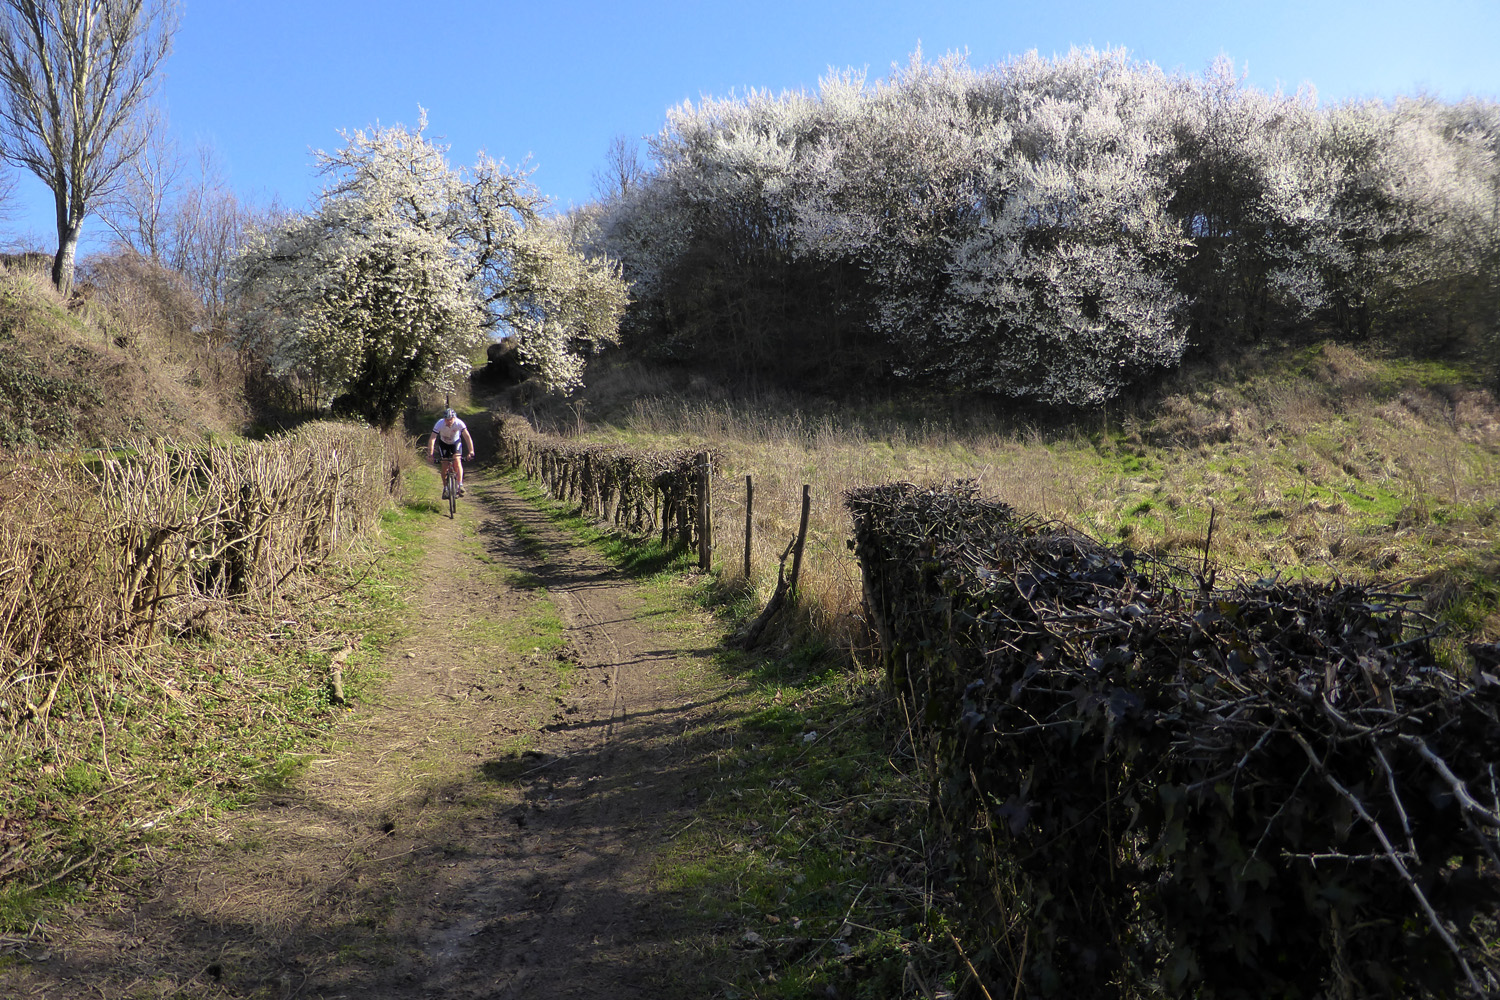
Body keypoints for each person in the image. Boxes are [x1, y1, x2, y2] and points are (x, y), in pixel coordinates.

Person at [428, 408, 475, 498]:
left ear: (454, 418)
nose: (449, 421)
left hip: (455, 443)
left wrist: (471, 451)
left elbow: (467, 437)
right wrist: (430, 454)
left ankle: (460, 485)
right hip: (444, 444)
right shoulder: (440, 423)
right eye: (447, 419)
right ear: (444, 419)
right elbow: (432, 438)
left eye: (451, 419)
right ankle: (445, 488)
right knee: (444, 464)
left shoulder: (459, 423)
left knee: (457, 460)